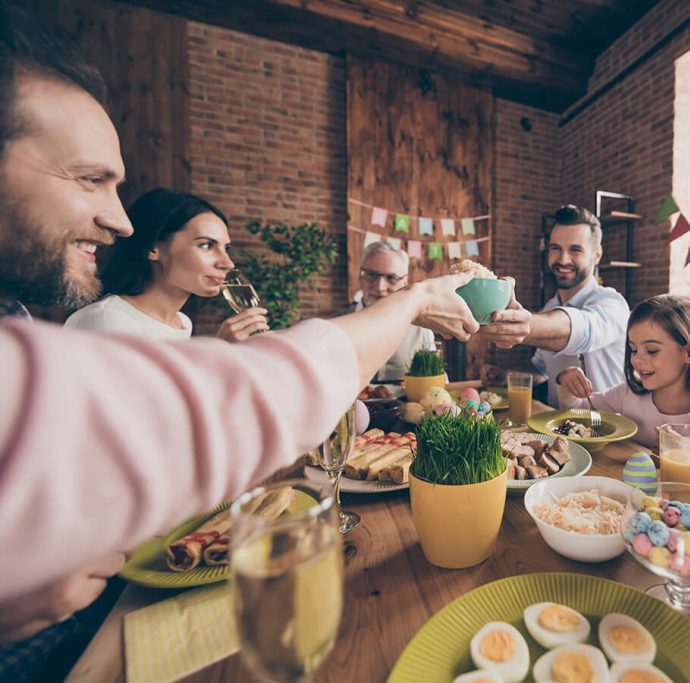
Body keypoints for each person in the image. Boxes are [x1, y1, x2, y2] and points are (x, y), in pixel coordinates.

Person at [0, 7, 480, 677]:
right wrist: (413, 301)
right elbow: (231, 405)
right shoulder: (91, 329)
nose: (118, 217)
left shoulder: (22, 318)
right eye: (88, 178)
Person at [64, 188, 269, 340]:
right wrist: (217, 353)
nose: (227, 263)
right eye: (206, 245)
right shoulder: (109, 320)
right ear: (153, 248)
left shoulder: (182, 323)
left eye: (226, 248)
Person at [478, 205, 629, 407]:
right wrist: (506, 376)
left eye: (575, 250)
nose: (563, 259)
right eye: (555, 248)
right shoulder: (551, 306)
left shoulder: (612, 303)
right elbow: (541, 369)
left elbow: (581, 330)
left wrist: (526, 324)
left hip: (607, 433)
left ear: (597, 255)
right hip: (555, 431)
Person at [558, 294, 690, 449]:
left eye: (652, 350)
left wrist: (680, 455)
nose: (636, 360)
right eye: (633, 350)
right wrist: (566, 382)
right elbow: (577, 410)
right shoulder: (628, 394)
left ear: (688, 353)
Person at [344, 240, 434, 380]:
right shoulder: (339, 324)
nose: (380, 287)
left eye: (391, 278)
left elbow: (435, 386)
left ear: (404, 283)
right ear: (360, 277)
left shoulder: (421, 330)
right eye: (372, 275)